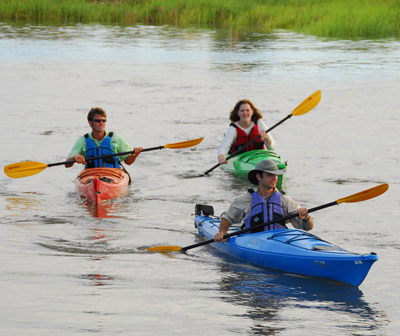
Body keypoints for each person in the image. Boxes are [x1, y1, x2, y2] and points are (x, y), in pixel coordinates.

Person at [214, 159, 314, 242]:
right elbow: (227, 218)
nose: (275, 178)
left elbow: (308, 227)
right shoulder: (244, 200)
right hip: (252, 242)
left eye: (276, 175)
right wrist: (222, 232)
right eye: (270, 175)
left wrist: (306, 218)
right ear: (258, 177)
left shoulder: (285, 200)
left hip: (279, 242)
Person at [65, 107, 143, 169]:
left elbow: (128, 162)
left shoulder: (116, 138)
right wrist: (76, 157)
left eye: (104, 120)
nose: (101, 123)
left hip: (113, 174)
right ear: (90, 123)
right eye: (98, 121)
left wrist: (134, 156)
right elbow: (67, 164)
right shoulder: (83, 141)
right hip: (91, 175)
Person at [217, 99, 277, 165]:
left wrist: (267, 138)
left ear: (252, 112)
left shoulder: (259, 124)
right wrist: (221, 157)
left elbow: (272, 148)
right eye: (242, 111)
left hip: (259, 159)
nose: (245, 113)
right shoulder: (233, 129)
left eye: (247, 110)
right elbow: (224, 146)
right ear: (238, 113)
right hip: (239, 161)